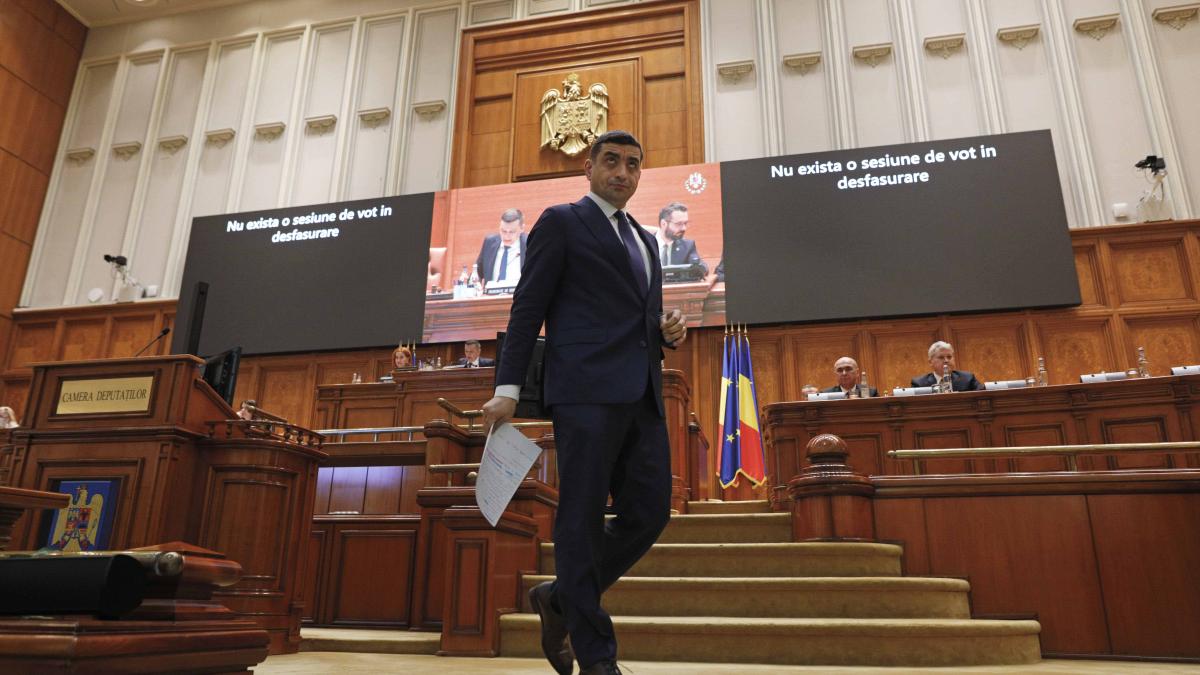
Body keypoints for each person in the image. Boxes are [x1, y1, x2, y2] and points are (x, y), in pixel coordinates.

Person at [482, 130, 686, 675]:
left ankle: (559, 597)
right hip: (584, 395)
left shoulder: (645, 239)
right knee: (581, 518)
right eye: (612, 161)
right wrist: (506, 390)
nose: (623, 172)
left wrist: (667, 330)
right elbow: (528, 308)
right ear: (589, 168)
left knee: (650, 513)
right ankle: (597, 658)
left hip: (643, 394)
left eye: (633, 165)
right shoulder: (561, 221)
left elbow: (640, 317)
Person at [476, 208, 528, 286]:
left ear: (522, 229)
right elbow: (477, 272)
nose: (507, 236)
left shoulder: (529, 245)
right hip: (492, 293)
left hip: (519, 293)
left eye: (512, 232)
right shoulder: (489, 243)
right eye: (503, 231)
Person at [653, 202, 706, 275]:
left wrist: (698, 268)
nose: (684, 228)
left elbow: (701, 268)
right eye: (679, 224)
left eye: (685, 223)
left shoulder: (687, 246)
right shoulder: (645, 244)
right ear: (663, 224)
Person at [911, 341, 984, 391]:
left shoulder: (967, 378)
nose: (946, 360)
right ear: (930, 362)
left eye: (949, 357)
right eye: (941, 357)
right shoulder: (919, 384)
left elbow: (982, 393)